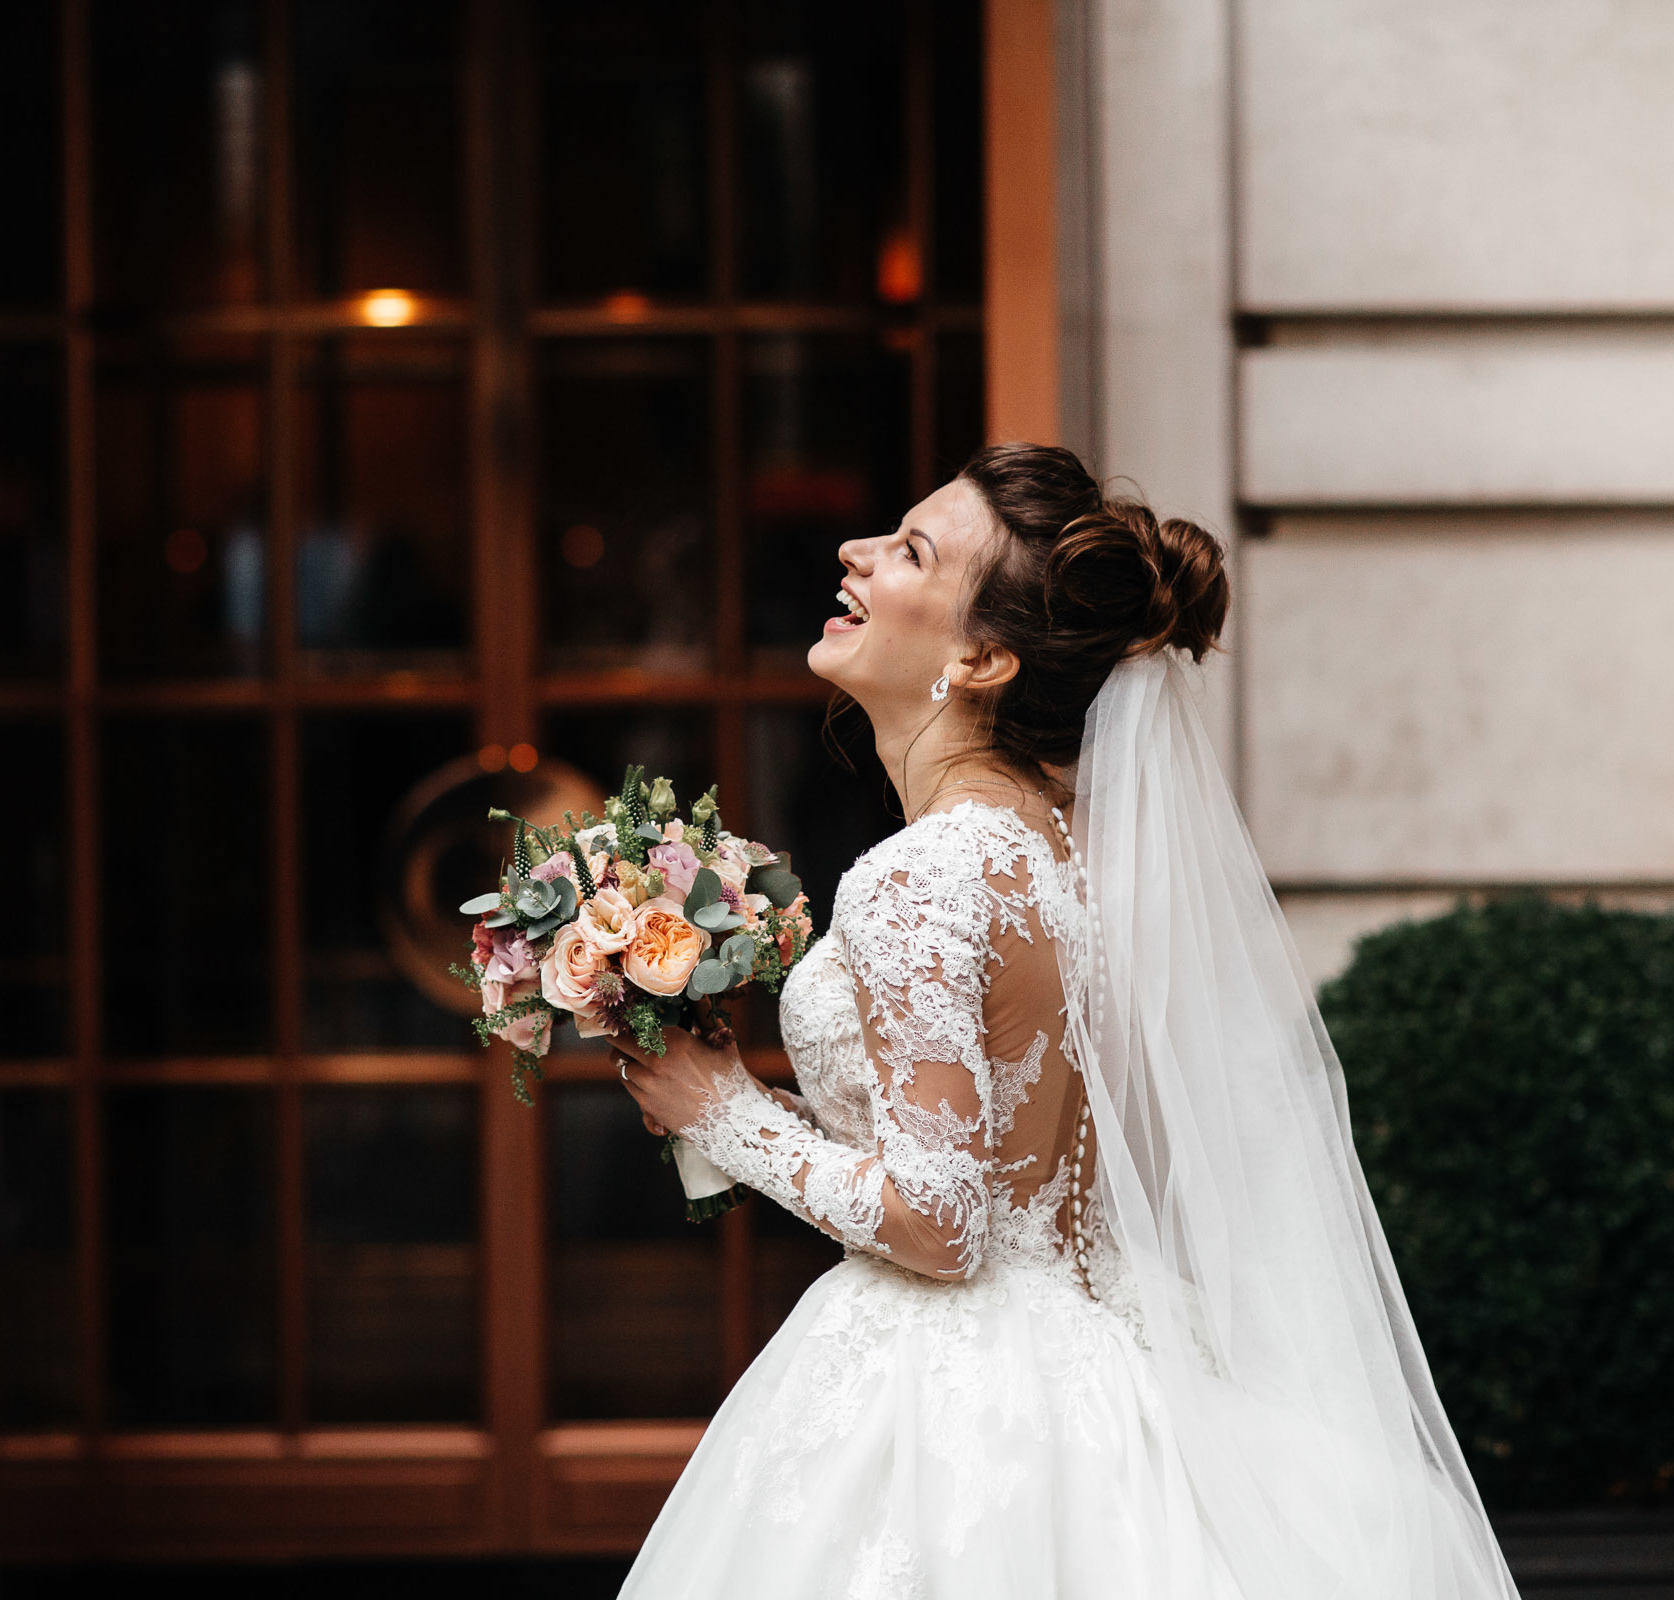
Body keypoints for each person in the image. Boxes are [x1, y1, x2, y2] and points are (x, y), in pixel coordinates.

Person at [611, 443, 1519, 1598]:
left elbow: (943, 1222)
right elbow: (1000, 1162)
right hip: (1096, 1351)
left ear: (982, 656)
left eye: (910, 550)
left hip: (950, 1401)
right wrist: (762, 1105)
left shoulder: (920, 875)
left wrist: (726, 1113)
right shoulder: (1059, 853)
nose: (856, 552)